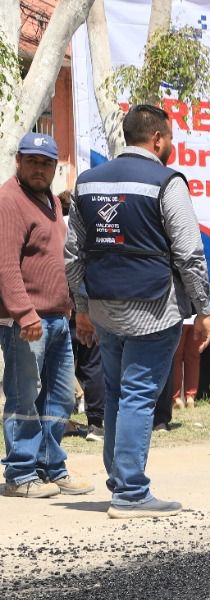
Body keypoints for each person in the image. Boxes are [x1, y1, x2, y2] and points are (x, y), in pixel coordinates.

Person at [65, 105, 210, 518]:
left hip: (104, 307)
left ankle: (119, 479)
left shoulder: (87, 183)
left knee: (116, 391)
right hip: (154, 308)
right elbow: (189, 253)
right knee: (138, 394)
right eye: (171, 138)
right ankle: (130, 492)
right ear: (158, 140)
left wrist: (81, 306)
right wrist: (203, 309)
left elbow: (73, 253)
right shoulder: (167, 182)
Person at [0, 132, 91, 498]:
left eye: (46, 163)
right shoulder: (9, 200)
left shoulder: (50, 200)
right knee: (24, 396)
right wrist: (25, 314)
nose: (39, 168)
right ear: (18, 161)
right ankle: (20, 474)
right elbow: (5, 267)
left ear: (55, 167)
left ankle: (51, 467)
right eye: (33, 161)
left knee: (59, 399)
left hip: (56, 318)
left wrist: (74, 311)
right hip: (27, 321)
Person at [171, 321, 201, 407]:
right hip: (197, 316)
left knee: (176, 357)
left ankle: (175, 398)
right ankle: (190, 397)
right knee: (193, 357)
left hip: (179, 317)